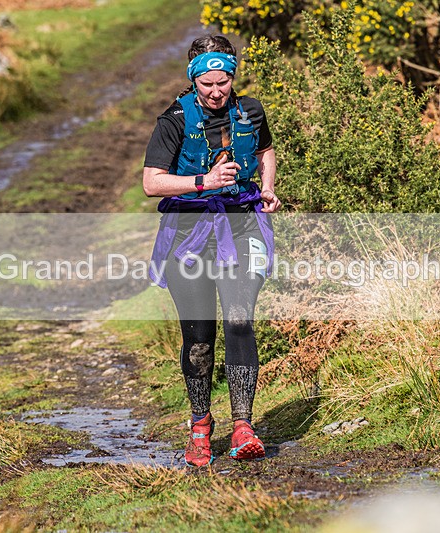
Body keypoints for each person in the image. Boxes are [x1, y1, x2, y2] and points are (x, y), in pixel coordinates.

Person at [143, 35, 281, 467]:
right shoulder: (173, 120)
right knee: (199, 338)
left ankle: (244, 428)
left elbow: (265, 150)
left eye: (224, 82)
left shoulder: (251, 110)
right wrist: (204, 182)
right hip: (189, 234)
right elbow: (151, 182)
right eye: (208, 84)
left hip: (241, 225)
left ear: (232, 76)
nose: (217, 91)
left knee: (240, 320)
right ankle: (200, 428)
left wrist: (270, 188)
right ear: (194, 80)